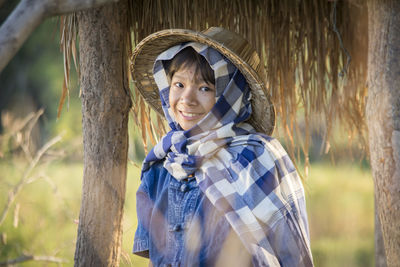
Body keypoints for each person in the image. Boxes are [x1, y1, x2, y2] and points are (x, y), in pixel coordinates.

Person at [130, 27, 314, 267]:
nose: (187, 99)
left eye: (205, 88)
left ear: (229, 96)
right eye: (179, 85)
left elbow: (292, 255)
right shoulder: (163, 164)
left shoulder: (257, 157)